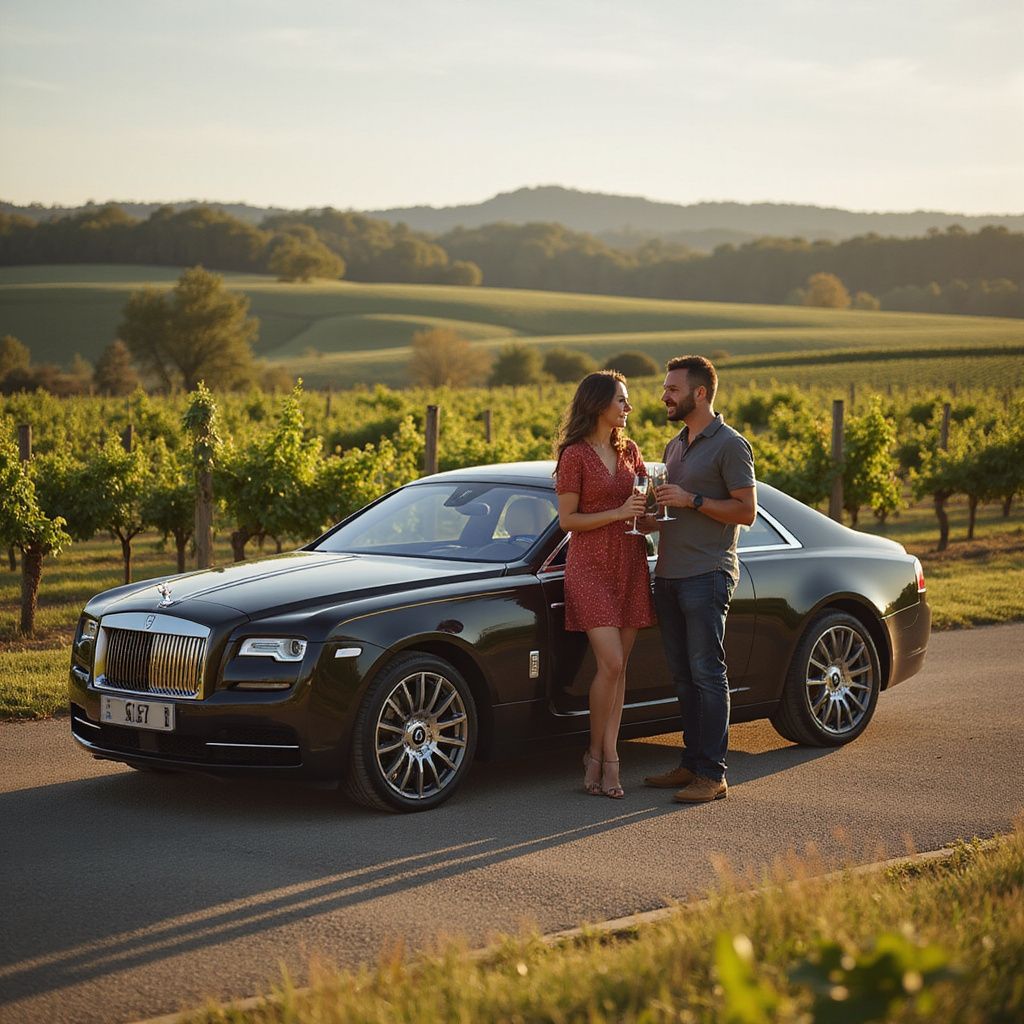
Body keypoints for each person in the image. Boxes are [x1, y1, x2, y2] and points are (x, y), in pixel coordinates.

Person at [644, 355, 756, 803]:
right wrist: (650, 516)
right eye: (665, 388)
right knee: (684, 676)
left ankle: (713, 774)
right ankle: (691, 764)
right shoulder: (675, 445)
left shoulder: (731, 445)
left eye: (672, 388)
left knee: (708, 674)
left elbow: (745, 511)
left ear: (700, 393)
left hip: (706, 575)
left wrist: (691, 499)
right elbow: (675, 511)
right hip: (669, 574)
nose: (664, 395)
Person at [554, 370, 655, 799]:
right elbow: (568, 521)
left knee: (619, 669)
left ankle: (598, 756)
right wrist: (617, 514)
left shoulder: (630, 450)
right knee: (610, 664)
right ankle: (608, 760)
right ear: (598, 404)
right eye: (621, 401)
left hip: (629, 562)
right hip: (590, 566)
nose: (628, 408)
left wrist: (659, 514)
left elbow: (640, 511)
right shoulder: (573, 455)